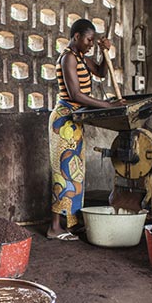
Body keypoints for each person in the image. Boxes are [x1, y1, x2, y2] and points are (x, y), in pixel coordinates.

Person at [48, 18, 124, 241]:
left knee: (75, 172)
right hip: (64, 121)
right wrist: (108, 105)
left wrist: (105, 52)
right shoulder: (68, 58)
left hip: (76, 121)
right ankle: (54, 228)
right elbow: (75, 95)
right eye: (89, 40)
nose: (91, 43)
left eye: (93, 41)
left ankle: (69, 222)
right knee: (62, 173)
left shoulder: (82, 57)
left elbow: (101, 72)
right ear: (77, 37)